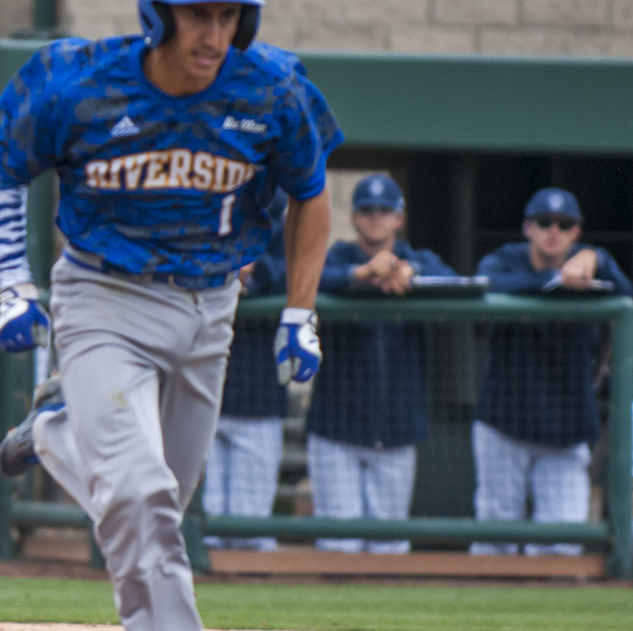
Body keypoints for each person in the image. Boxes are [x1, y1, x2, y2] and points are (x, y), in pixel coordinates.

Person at [0, 0, 341, 631]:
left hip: (212, 308)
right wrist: (15, 285)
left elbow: (312, 190)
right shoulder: (78, 82)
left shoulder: (273, 89)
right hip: (104, 298)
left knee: (159, 509)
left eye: (228, 15)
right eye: (195, 14)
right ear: (157, 13)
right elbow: (2, 169)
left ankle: (56, 434)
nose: (212, 33)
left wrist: (301, 311)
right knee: (139, 497)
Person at [472, 188, 633, 556]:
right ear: (528, 228)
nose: (553, 231)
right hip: (504, 423)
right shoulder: (506, 259)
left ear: (576, 232)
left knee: (562, 545)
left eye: (564, 224)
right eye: (544, 222)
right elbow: (484, 283)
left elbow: (626, 295)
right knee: (495, 540)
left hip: (566, 429)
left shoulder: (591, 263)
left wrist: (598, 258)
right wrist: (554, 279)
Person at [305, 173, 455, 554]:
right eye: (367, 210)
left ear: (399, 219)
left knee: (388, 548)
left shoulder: (418, 259)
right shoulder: (339, 256)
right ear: (354, 218)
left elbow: (455, 280)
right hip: (336, 430)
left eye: (384, 211)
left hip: (396, 431)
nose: (376, 217)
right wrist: (359, 274)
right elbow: (304, 276)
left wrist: (411, 272)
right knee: (339, 546)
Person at [203, 191, 289, 553]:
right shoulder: (202, 201)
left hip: (259, 397)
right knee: (199, 529)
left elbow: (306, 274)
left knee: (250, 532)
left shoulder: (279, 214)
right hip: (200, 394)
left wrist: (256, 268)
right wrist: (221, 263)